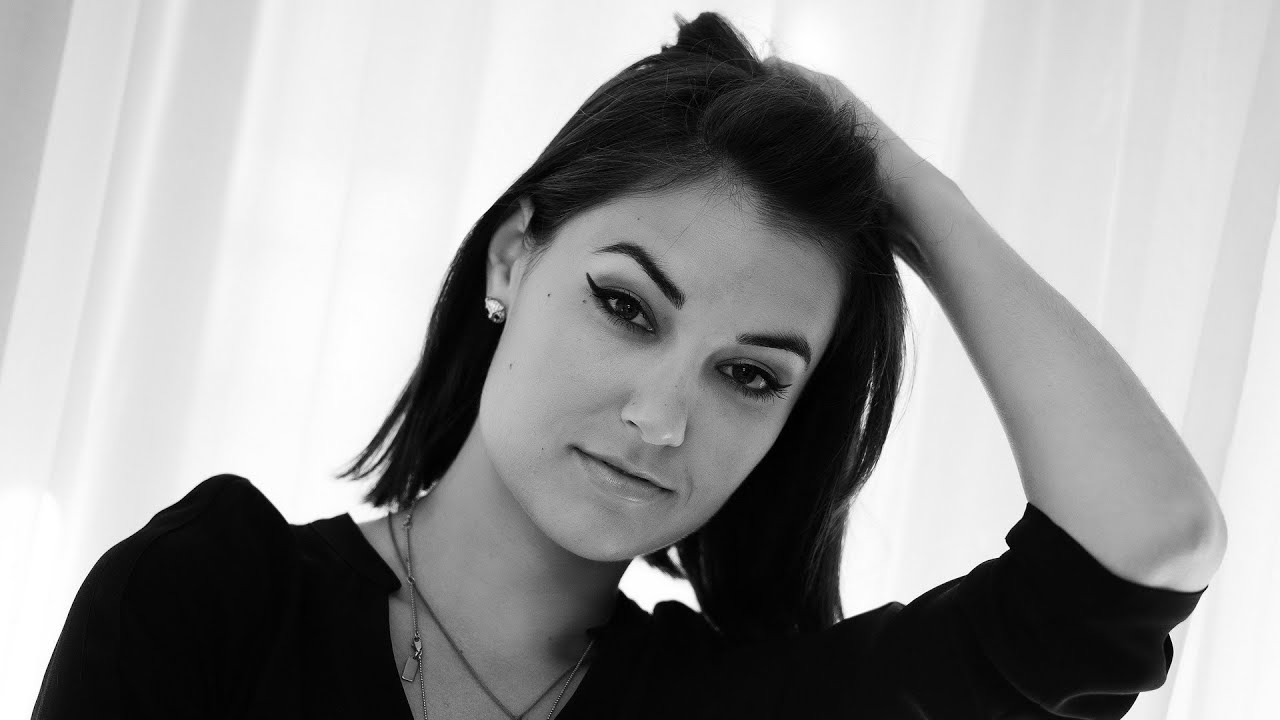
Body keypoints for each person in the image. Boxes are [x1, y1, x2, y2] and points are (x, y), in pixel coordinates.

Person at [32, 11, 1225, 720]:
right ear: (513, 257)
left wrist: (907, 185)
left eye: (749, 377)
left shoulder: (734, 704)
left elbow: (1144, 544)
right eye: (625, 307)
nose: (660, 417)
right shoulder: (212, 603)